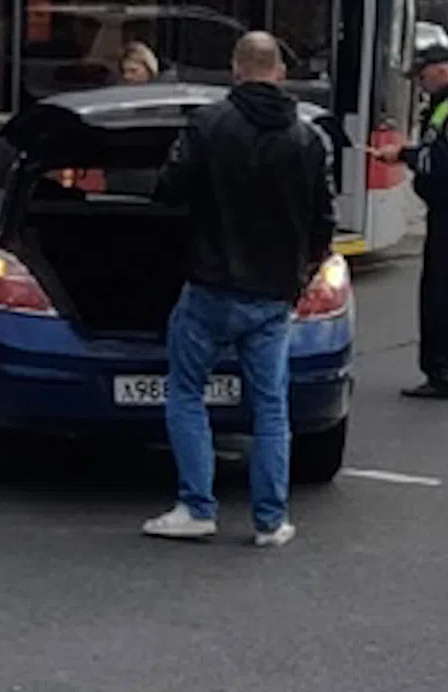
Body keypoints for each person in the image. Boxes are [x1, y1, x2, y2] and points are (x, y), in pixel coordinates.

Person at [142, 32, 336, 548]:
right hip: (272, 296)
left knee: (186, 393)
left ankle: (197, 507)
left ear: (236, 69)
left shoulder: (209, 124)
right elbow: (324, 221)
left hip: (211, 285)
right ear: (278, 71)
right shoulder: (308, 138)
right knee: (270, 406)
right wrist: (299, 275)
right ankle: (270, 521)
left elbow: (169, 189)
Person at [379, 45, 448, 401]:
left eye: (423, 76)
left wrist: (403, 156)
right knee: (437, 290)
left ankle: (442, 375)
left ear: (442, 70)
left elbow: (445, 160)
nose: (421, 85)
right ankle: (437, 370)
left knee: (442, 294)